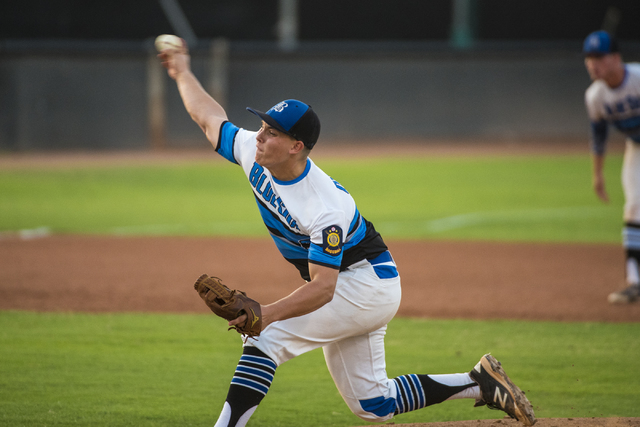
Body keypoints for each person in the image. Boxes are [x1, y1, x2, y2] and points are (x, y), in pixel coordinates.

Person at [157, 39, 536, 427]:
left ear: (295, 147)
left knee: (264, 340)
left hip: (365, 286)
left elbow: (324, 288)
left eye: (272, 132)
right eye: (262, 125)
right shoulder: (253, 153)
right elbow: (209, 119)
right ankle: (480, 383)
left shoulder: (324, 207)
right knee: (374, 404)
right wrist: (182, 72)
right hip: (354, 285)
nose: (259, 136)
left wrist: (266, 315)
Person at [583, 30, 640, 304]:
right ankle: (634, 281)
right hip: (637, 148)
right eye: (589, 58)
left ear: (616, 58)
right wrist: (597, 174)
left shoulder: (639, 78)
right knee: (633, 207)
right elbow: (599, 138)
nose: (593, 63)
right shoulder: (595, 96)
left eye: (599, 57)